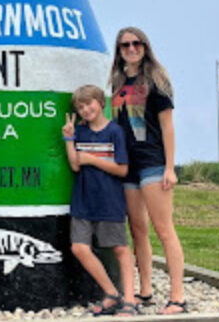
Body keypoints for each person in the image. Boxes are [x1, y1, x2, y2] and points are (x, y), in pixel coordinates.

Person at [110, 26, 186, 315]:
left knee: (164, 229)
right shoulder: (117, 84)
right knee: (138, 230)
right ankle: (145, 291)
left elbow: (167, 126)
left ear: (145, 46)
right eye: (125, 45)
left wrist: (170, 167)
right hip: (128, 166)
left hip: (153, 162)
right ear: (119, 51)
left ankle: (178, 297)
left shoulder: (156, 80)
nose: (131, 49)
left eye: (136, 43)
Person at [62, 85, 138, 317]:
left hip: (109, 200)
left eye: (89, 103)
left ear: (100, 102)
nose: (86, 109)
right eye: (80, 107)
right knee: (79, 247)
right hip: (83, 200)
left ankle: (130, 300)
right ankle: (111, 293)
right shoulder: (81, 133)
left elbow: (122, 169)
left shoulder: (115, 132)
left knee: (120, 249)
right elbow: (75, 164)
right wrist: (68, 138)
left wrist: (92, 159)